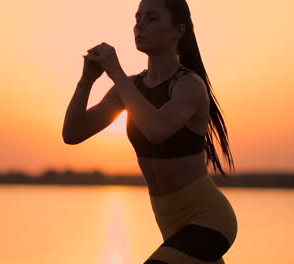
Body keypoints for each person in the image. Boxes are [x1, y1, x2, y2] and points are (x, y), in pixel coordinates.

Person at [62, 0, 237, 263]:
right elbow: (73, 133)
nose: (140, 25)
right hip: (170, 226)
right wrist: (86, 81)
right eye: (137, 18)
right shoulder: (131, 87)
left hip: (209, 219)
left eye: (152, 18)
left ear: (179, 30)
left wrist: (116, 72)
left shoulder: (189, 85)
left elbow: (157, 129)